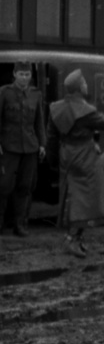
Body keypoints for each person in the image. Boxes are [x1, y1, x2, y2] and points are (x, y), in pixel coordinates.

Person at [48, 70, 104, 258]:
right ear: (77, 88)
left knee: (73, 195)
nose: (86, 84)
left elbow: (51, 138)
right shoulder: (85, 112)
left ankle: (75, 239)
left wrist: (53, 161)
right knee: (88, 198)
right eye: (83, 82)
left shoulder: (56, 109)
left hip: (67, 155)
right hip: (85, 156)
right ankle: (72, 239)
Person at [0, 62, 47, 238]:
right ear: (14, 74)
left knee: (25, 187)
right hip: (8, 146)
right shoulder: (4, 93)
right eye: (21, 74)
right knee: (3, 186)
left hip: (30, 147)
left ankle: (20, 225)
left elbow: (39, 122)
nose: (24, 78)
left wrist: (42, 144)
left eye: (27, 74)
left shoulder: (36, 95)